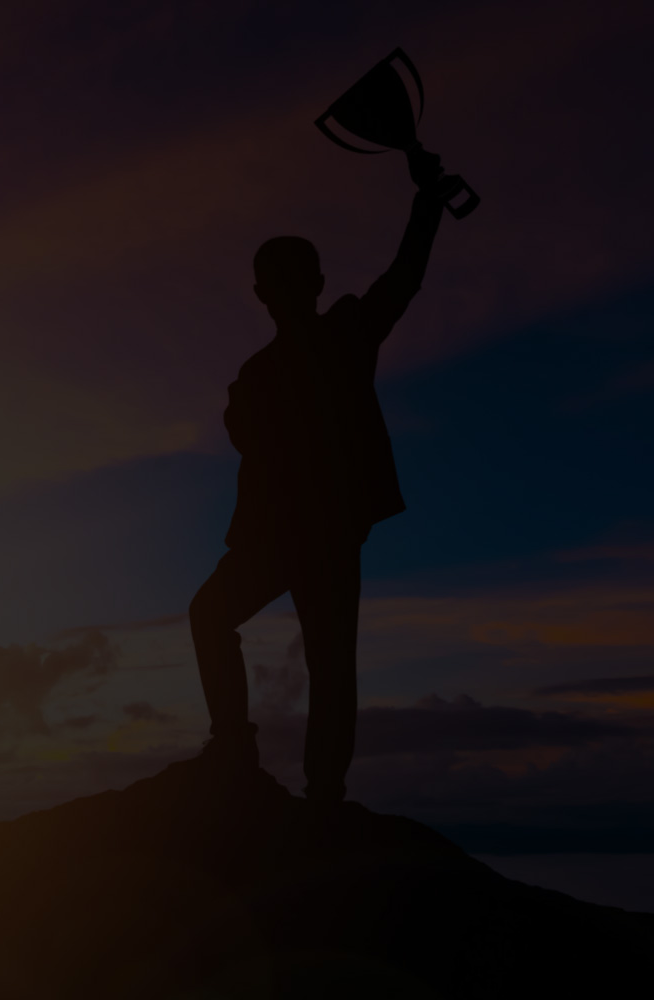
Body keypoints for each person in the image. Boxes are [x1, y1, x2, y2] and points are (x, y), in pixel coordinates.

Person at [189, 150, 464, 805]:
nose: (282, 290)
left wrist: (427, 208)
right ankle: (268, 763)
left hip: (317, 533)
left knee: (323, 657)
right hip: (290, 534)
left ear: (301, 284)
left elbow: (400, 281)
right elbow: (400, 282)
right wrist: (426, 207)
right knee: (295, 647)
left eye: (287, 278)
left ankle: (310, 785)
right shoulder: (263, 372)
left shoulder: (324, 343)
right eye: (277, 280)